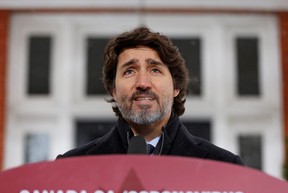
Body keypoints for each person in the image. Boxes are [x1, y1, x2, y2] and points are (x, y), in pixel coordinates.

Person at [57, 26, 244, 165]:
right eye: (129, 71)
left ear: (176, 87)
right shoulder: (71, 166)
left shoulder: (224, 167)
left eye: (155, 70)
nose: (143, 83)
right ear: (113, 89)